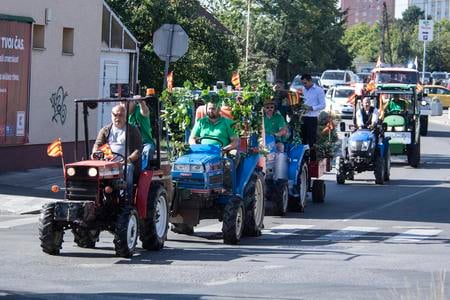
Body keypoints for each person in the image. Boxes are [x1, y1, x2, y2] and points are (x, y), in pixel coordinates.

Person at [92, 105, 142, 198]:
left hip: (125, 162)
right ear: (111, 115)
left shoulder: (133, 130)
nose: (117, 118)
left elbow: (138, 151)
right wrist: (95, 153)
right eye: (115, 115)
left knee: (128, 169)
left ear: (125, 116)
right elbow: (97, 144)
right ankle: (97, 198)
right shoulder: (105, 130)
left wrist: (128, 160)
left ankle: (127, 199)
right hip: (108, 162)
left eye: (121, 115)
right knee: (93, 171)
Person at [121, 96, 155, 170]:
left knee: (147, 150)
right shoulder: (122, 116)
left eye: (127, 102)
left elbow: (145, 111)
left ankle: (142, 173)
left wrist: (141, 102)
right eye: (122, 103)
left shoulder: (139, 110)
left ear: (133, 102)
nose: (124, 105)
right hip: (131, 145)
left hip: (145, 143)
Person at [300, 74, 326, 152]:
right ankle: (304, 157)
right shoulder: (303, 89)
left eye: (305, 83)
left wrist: (311, 108)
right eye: (303, 83)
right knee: (302, 138)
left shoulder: (319, 90)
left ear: (310, 81)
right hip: (303, 116)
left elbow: (323, 105)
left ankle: (312, 158)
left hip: (312, 117)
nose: (304, 85)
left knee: (311, 139)